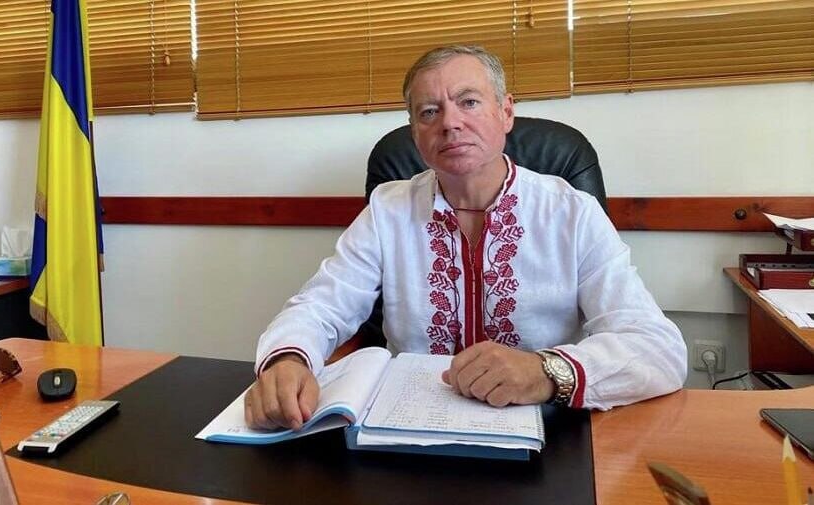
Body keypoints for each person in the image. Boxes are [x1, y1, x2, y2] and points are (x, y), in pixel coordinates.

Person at [245, 45, 687, 431]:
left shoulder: (571, 213)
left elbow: (658, 349)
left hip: (545, 433)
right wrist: (288, 359)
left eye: (469, 102)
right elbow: (320, 306)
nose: (450, 123)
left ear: (506, 112)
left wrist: (545, 372)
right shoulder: (387, 210)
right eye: (429, 112)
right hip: (406, 428)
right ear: (415, 133)